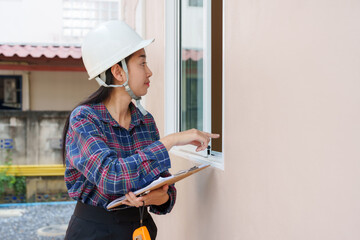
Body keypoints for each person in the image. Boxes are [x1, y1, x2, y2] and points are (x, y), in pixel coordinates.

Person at [62, 20, 219, 240]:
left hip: (138, 228)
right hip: (94, 232)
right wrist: (170, 141)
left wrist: (156, 198)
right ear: (118, 71)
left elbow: (166, 189)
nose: (150, 72)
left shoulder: (144, 121)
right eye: (142, 64)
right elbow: (111, 176)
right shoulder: (85, 119)